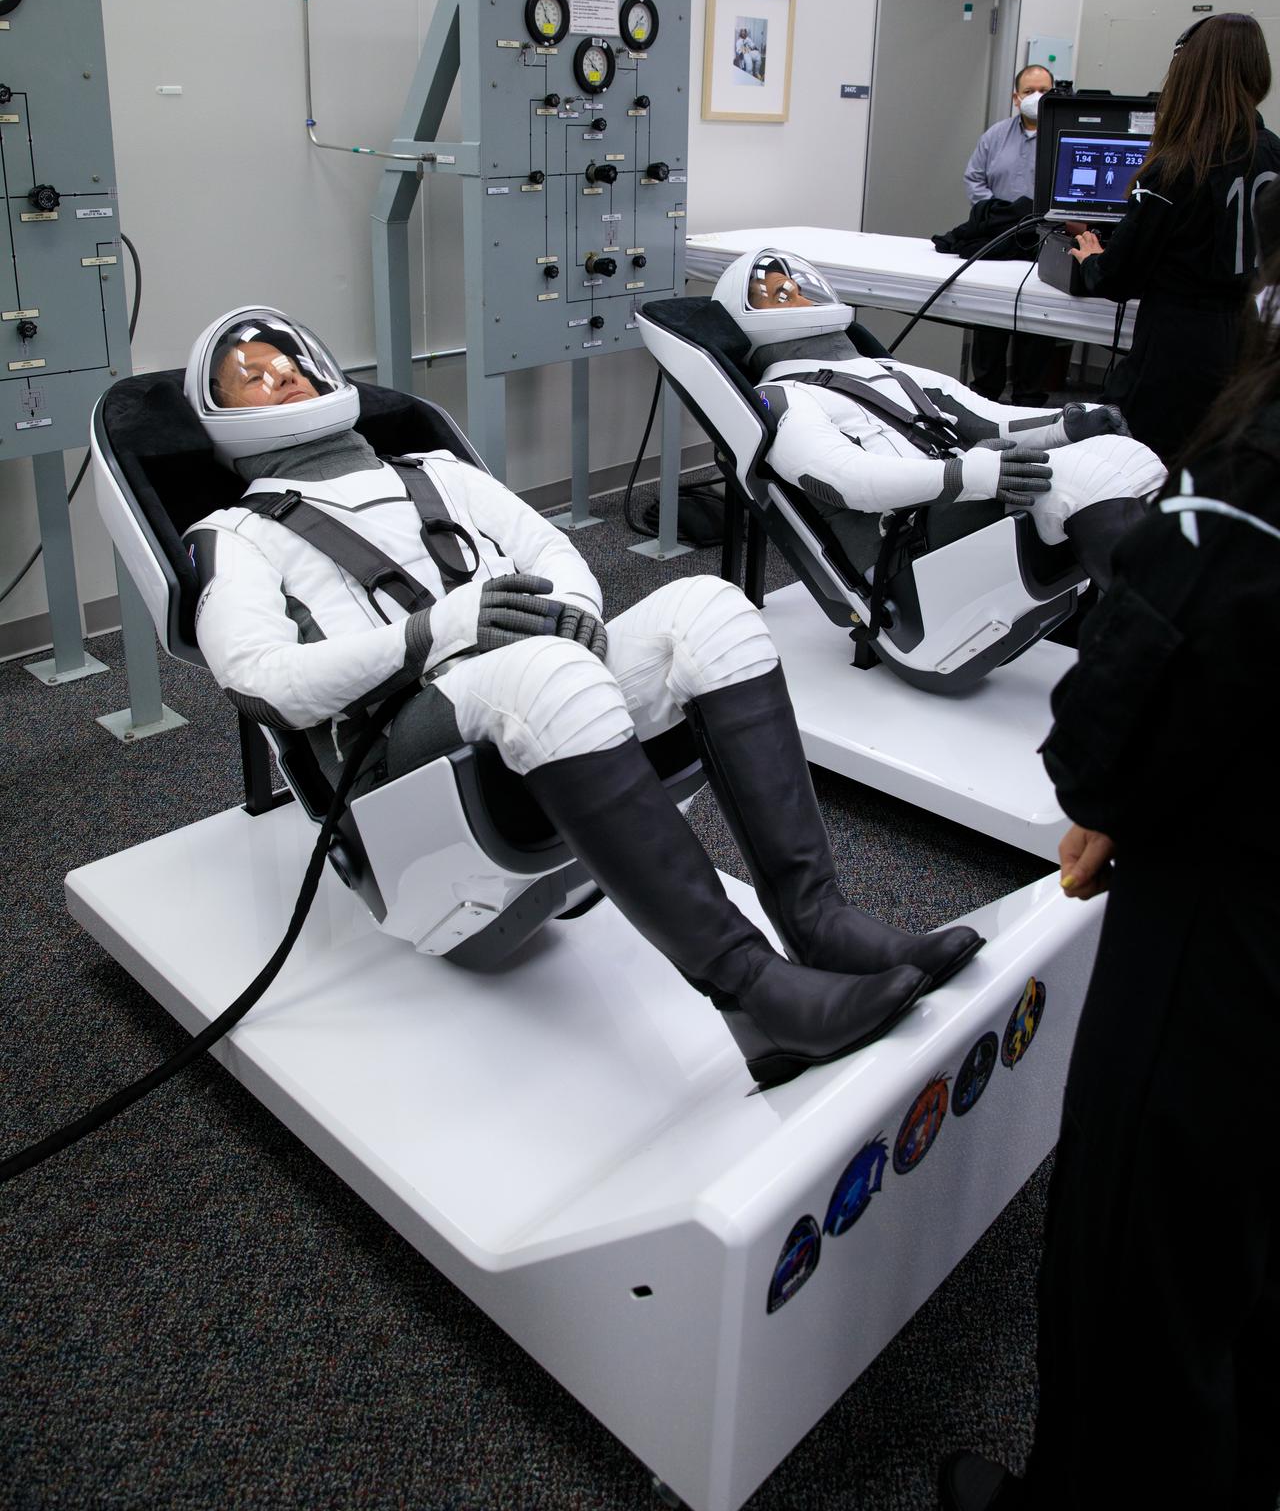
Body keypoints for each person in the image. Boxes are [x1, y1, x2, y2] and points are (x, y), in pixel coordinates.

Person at [182, 308, 986, 1090]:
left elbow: (551, 551)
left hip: (529, 691)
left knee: (712, 612)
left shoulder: (436, 473)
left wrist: (574, 614)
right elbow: (262, 683)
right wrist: (434, 631)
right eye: (252, 376)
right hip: (398, 751)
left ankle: (822, 927)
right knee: (547, 673)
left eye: (291, 363)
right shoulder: (233, 535)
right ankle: (754, 994)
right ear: (219, 415)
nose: (282, 376)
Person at [938, 180, 1280, 1511]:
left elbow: (1109, 740)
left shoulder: (1249, 480)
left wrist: (1116, 792)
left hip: (1224, 933)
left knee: (1150, 1242)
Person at [711, 248, 1166, 591]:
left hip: (958, 498)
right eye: (779, 295)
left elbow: (991, 420)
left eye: (798, 288)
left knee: (1126, 454)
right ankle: (1148, 629)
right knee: (1078, 478)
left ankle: (1173, 609)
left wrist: (1067, 424)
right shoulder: (781, 395)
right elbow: (847, 480)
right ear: (744, 319)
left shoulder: (886, 368)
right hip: (906, 545)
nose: (799, 297)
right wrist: (963, 474)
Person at [1069, 11, 1280, 463]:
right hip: (1246, 341)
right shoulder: (1274, 152)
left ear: (1188, 70)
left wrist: (1091, 259)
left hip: (1177, 350)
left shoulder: (1176, 167)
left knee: (1138, 462)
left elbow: (1119, 278)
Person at [955, 63, 1068, 405]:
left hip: (1044, 241)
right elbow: (974, 178)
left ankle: (1028, 398)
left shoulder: (1062, 136)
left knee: (1037, 325)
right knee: (989, 322)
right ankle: (984, 396)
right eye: (1029, 91)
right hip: (997, 241)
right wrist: (998, 215)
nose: (1037, 97)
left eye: (1044, 91)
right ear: (1016, 98)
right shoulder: (995, 136)